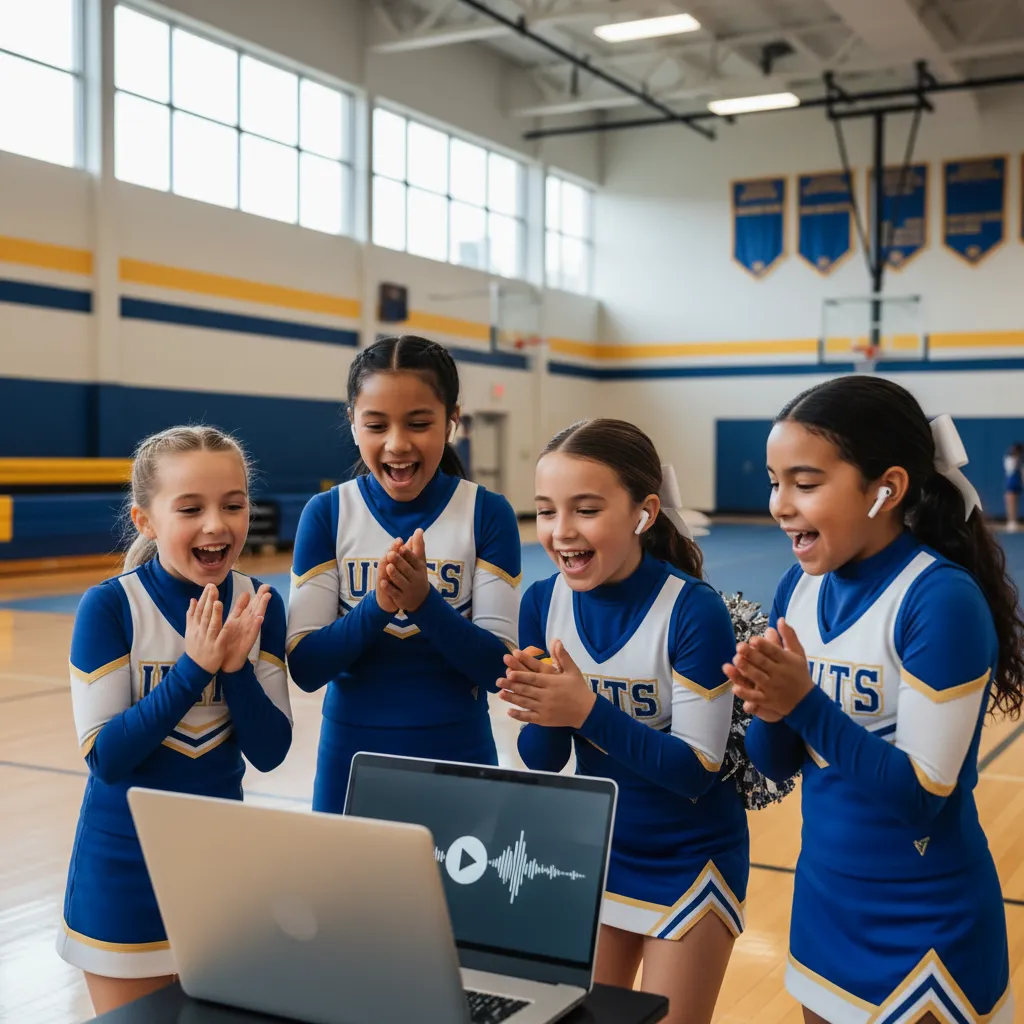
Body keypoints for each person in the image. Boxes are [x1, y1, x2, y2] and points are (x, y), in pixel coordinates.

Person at [727, 376, 1019, 1024]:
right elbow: (779, 763)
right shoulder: (798, 589)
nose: (779, 504)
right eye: (775, 482)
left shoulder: (938, 599)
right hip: (826, 903)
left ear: (885, 488)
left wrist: (802, 702)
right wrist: (762, 702)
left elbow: (922, 797)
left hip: (925, 922)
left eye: (804, 483)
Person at [503, 419, 748, 1024]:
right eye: (545, 511)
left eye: (585, 510)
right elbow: (544, 757)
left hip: (690, 857)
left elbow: (696, 770)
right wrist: (542, 710)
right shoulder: (543, 602)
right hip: (596, 850)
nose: (561, 533)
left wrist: (584, 708)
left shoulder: (692, 609)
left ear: (644, 512)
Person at [56, 426, 293, 1015]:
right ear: (146, 520)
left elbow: (270, 751)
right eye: (191, 508)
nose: (217, 524)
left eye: (234, 505)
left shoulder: (260, 603)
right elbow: (106, 758)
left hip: (217, 870)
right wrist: (196, 668)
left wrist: (234, 670)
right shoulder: (111, 606)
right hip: (122, 868)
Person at [286, 335, 521, 811]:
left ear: (452, 421)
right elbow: (307, 667)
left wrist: (424, 603)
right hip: (351, 764)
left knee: (460, 888)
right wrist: (378, 607)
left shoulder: (486, 513)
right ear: (352, 423)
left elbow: (498, 671)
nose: (397, 444)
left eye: (419, 423)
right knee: (349, 887)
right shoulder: (328, 514)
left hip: (460, 757)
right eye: (376, 424)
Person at [1004, 442, 1022, 532]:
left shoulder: (1020, 460)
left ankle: (1013, 520)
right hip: (1011, 482)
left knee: (1015, 503)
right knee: (1010, 502)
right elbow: (1010, 469)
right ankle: (1010, 521)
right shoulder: (1009, 458)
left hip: (1016, 482)